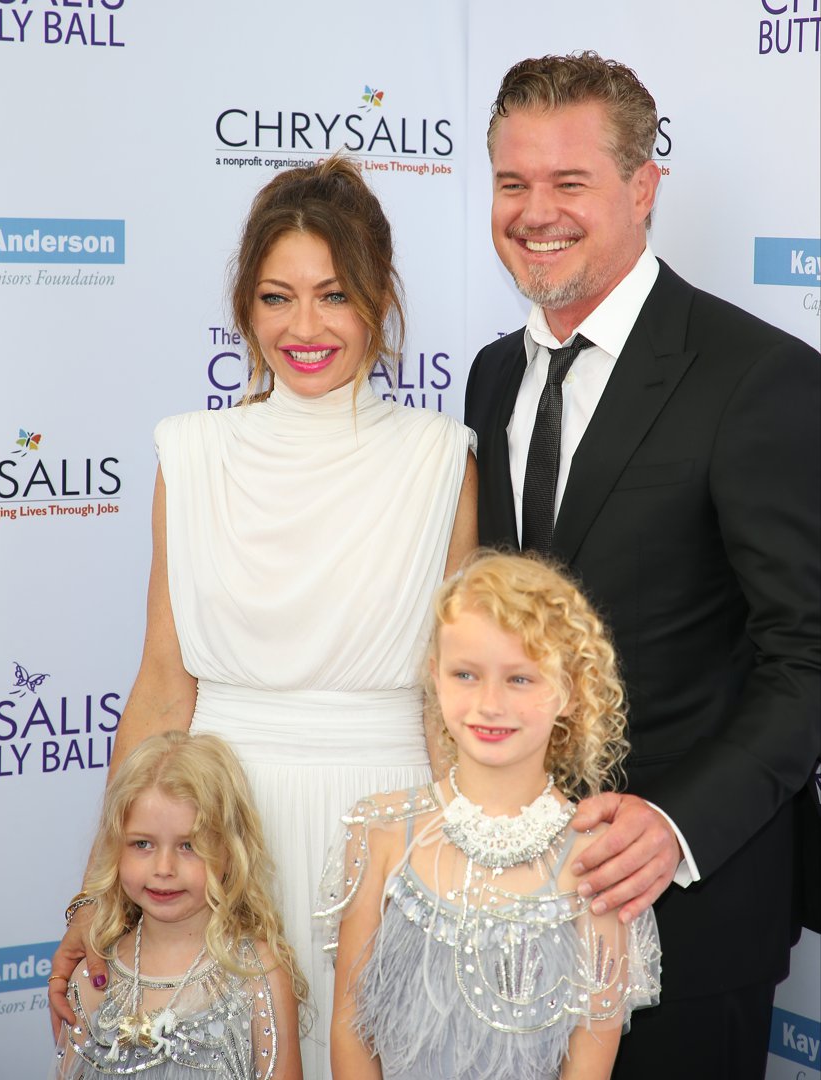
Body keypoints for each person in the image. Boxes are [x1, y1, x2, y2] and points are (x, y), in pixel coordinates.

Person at [49, 156, 478, 1080]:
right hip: (217, 832)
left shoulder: (442, 460)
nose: (305, 327)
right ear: (245, 307)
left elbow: (451, 705)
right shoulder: (191, 453)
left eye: (333, 295)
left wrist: (470, 877)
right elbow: (165, 682)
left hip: (388, 836)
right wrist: (95, 892)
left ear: (377, 297)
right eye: (277, 297)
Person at [464, 51, 820, 1079]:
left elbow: (805, 654)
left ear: (640, 186)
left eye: (568, 182)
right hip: (512, 907)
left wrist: (674, 824)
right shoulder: (492, 376)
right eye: (511, 183)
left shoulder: (758, 379)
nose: (536, 212)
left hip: (690, 914)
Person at [317, 551, 661, 1080]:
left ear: (569, 689)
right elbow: (349, 1025)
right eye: (466, 674)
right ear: (435, 676)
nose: (489, 703)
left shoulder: (596, 858)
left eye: (520, 679)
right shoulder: (381, 831)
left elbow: (592, 1051)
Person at [52, 730, 304, 1079]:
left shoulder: (258, 976)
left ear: (231, 852)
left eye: (189, 846)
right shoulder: (93, 978)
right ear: (114, 848)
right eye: (142, 844)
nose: (163, 869)